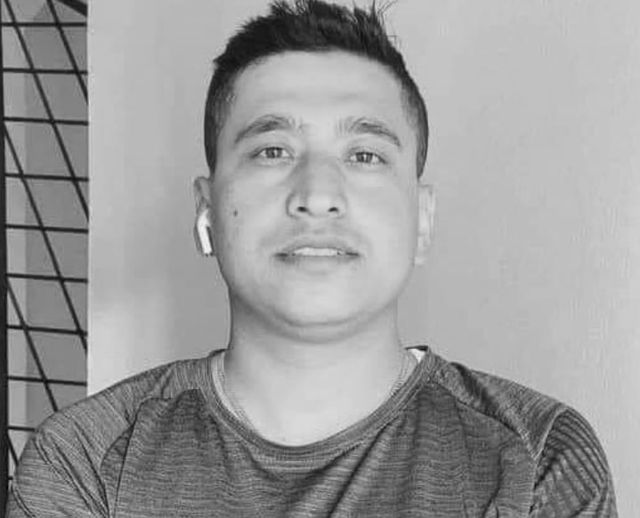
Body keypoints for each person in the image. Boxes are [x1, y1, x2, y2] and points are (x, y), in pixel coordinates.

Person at [7, 0, 617, 516]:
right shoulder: (82, 461)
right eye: (272, 150)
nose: (318, 194)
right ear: (207, 211)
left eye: (365, 155)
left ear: (422, 220)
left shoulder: (538, 458)